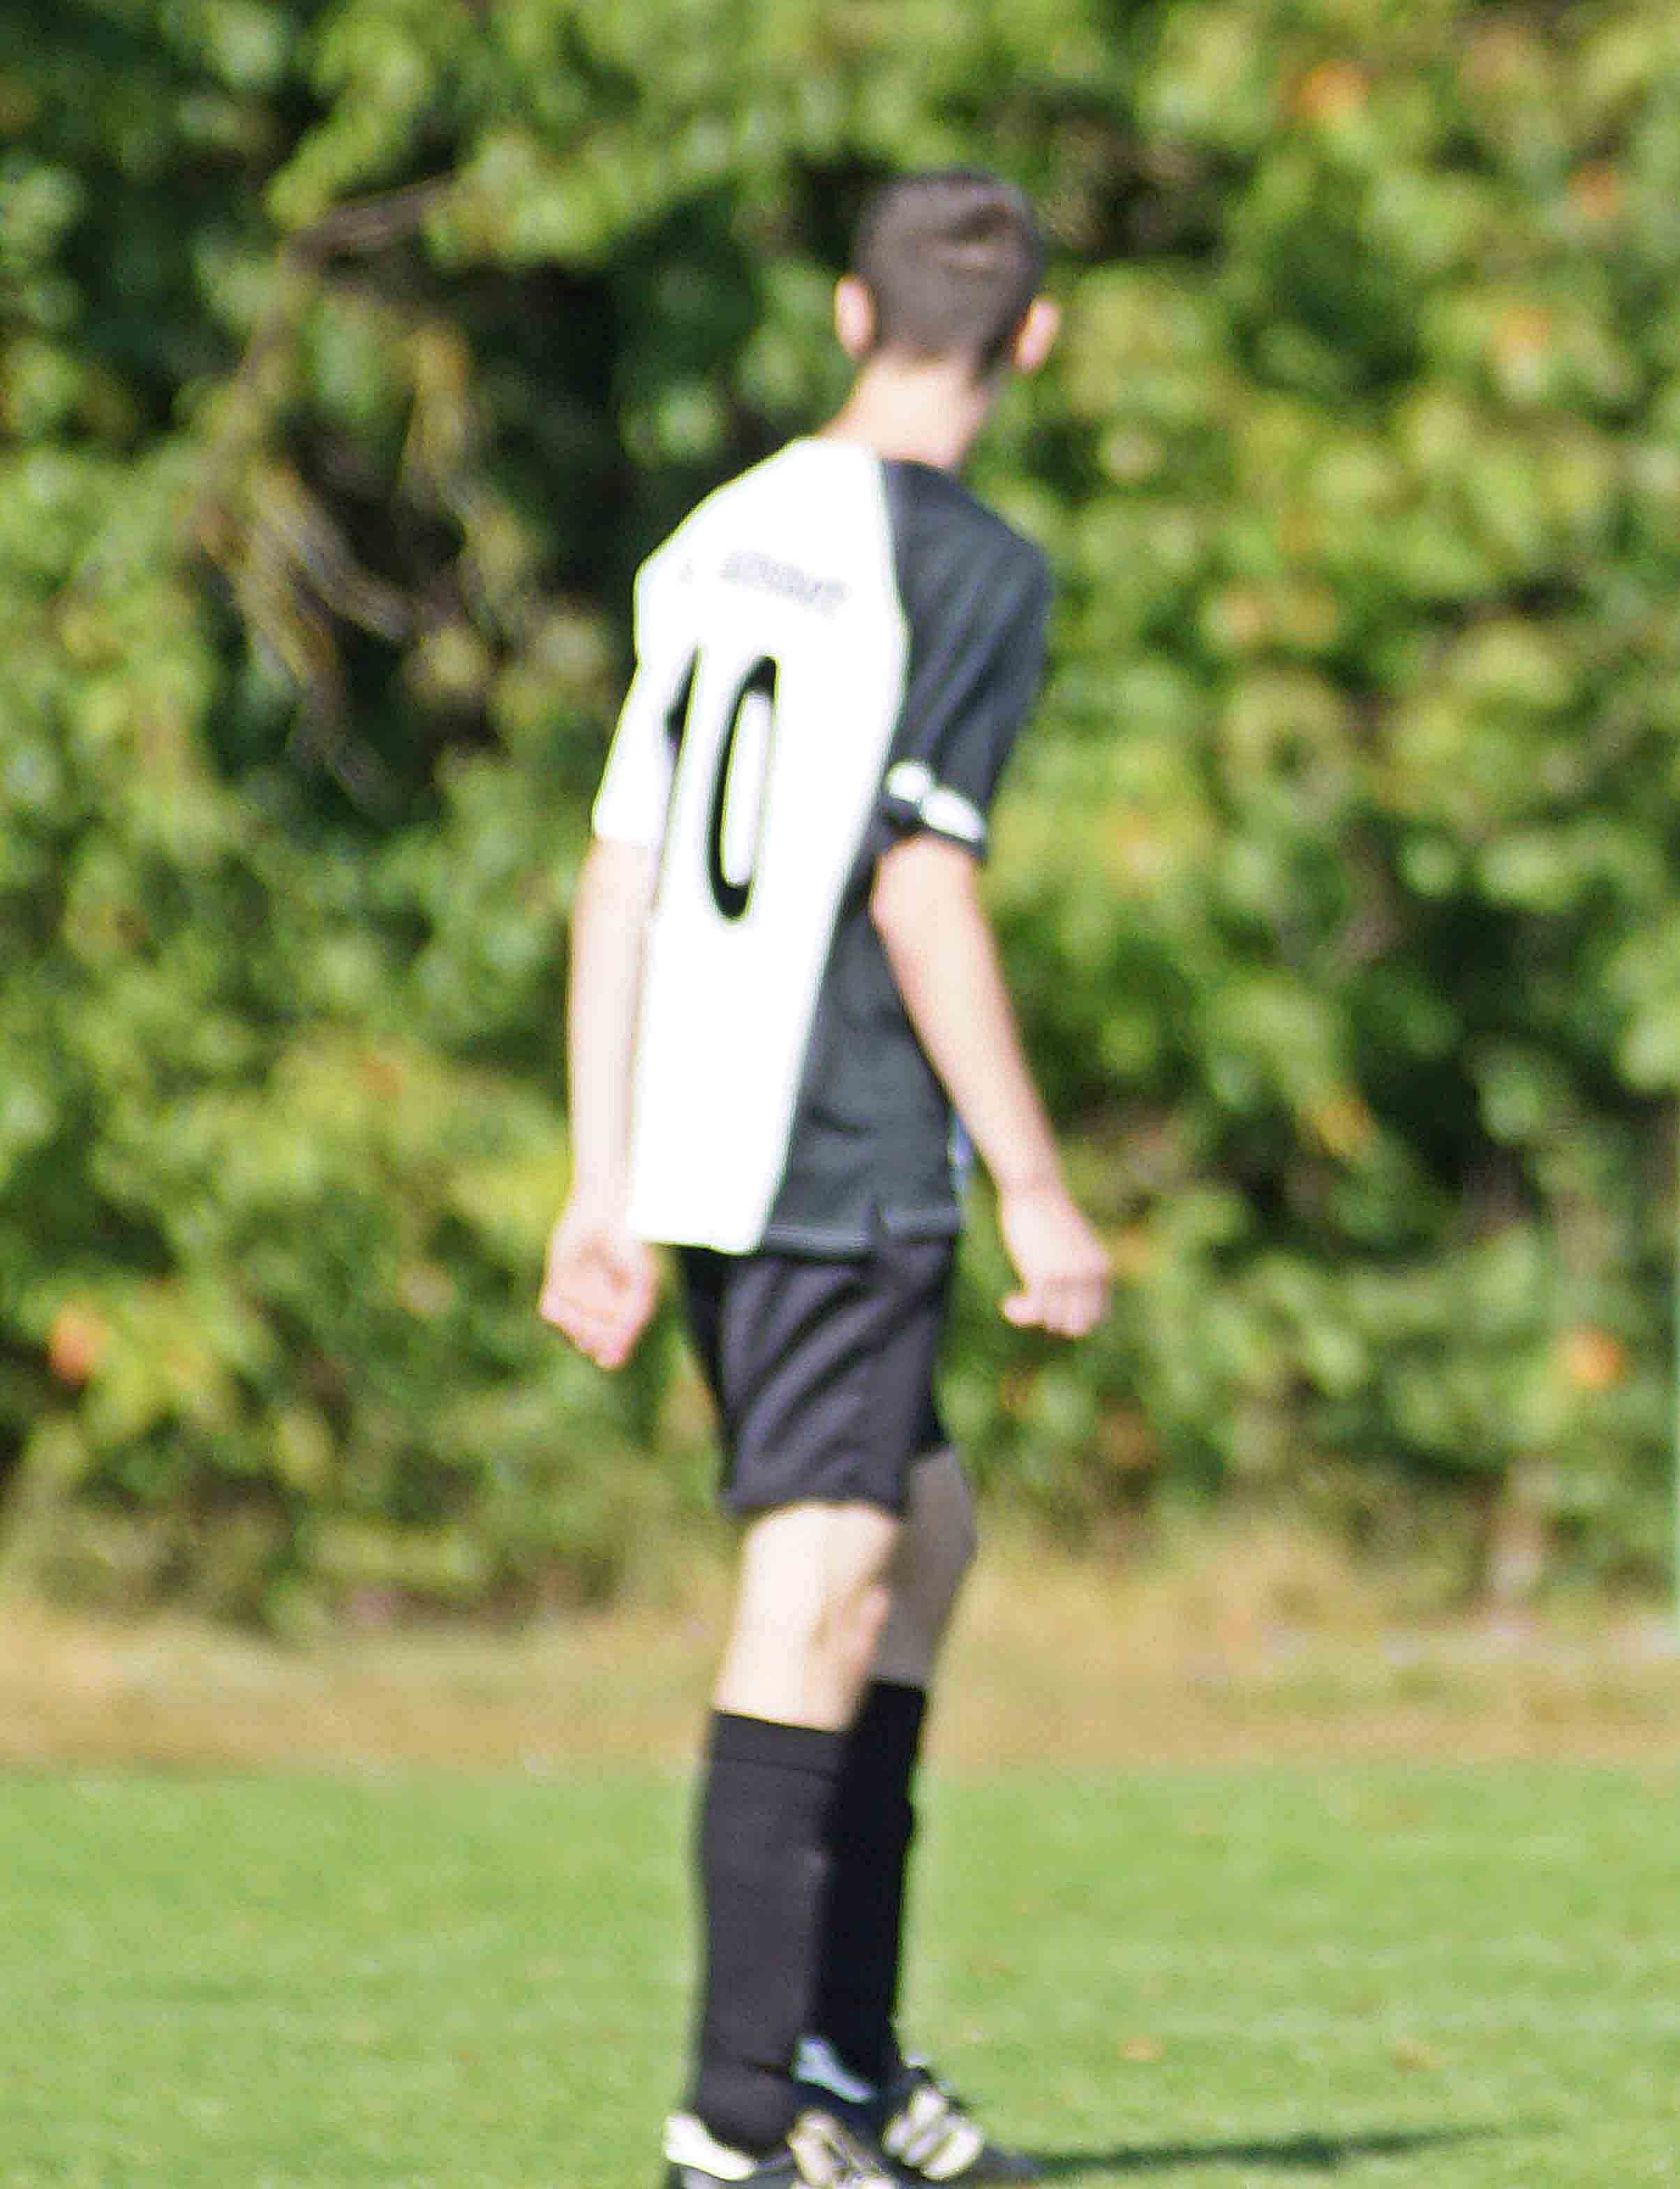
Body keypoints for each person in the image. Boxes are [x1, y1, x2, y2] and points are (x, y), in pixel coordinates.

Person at [540, 170, 1110, 2189]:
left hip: (706, 1143)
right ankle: (736, 2119)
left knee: (918, 1539)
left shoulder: (720, 532)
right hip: (838, 1147)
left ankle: (847, 2064)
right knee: (818, 1588)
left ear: (852, 317)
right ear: (1032, 339)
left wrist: (602, 1178)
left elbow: (620, 867)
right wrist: (1036, 1183)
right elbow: (920, 886)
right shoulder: (971, 568)